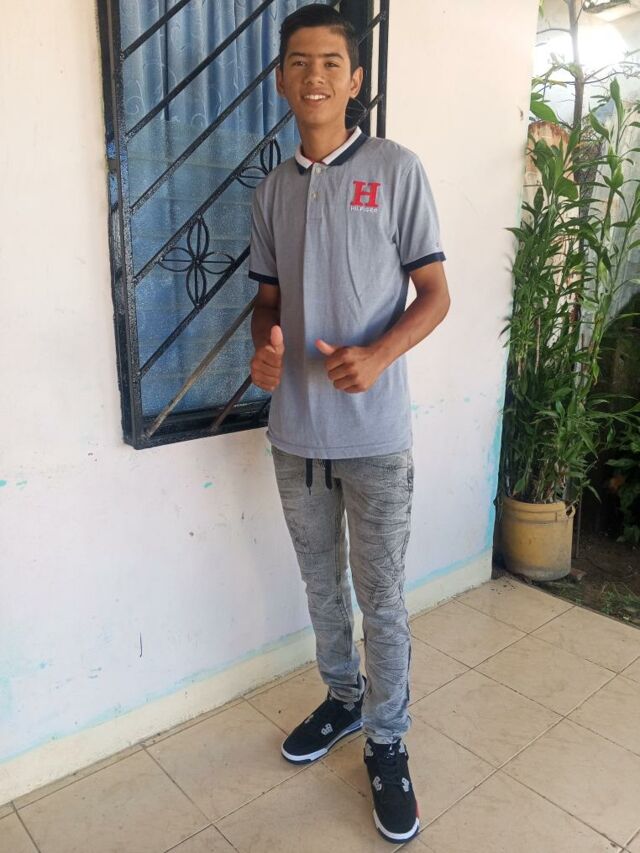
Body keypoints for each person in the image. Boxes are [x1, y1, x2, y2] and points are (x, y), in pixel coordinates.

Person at [248, 4, 450, 843]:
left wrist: (378, 354)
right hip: (295, 434)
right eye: (300, 61)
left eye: (332, 61)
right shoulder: (270, 191)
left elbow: (434, 294)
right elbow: (267, 302)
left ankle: (388, 740)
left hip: (374, 436)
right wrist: (264, 349)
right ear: (282, 79)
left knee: (381, 597)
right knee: (321, 587)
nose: (315, 75)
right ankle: (343, 697)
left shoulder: (397, 170)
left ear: (355, 78)